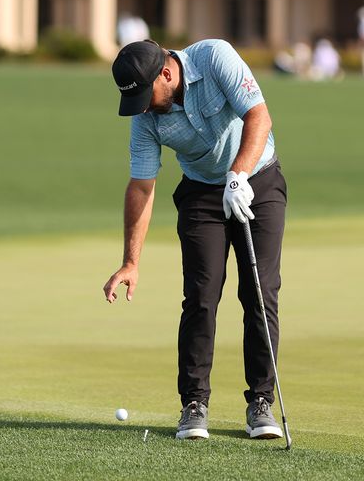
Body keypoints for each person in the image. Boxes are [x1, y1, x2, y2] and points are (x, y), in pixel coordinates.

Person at [103, 39, 287, 442]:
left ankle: (261, 403)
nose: (144, 110)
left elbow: (259, 117)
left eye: (146, 97)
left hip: (259, 179)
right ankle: (193, 404)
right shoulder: (146, 116)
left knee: (259, 292)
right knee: (201, 296)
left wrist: (238, 174)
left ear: (166, 74)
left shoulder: (214, 57)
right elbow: (141, 187)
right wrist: (131, 261)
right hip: (202, 193)